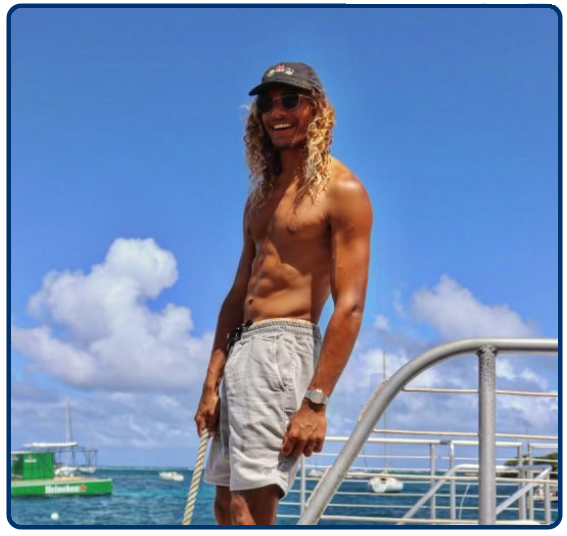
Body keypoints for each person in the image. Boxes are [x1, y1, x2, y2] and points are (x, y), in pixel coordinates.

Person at [194, 62, 373, 525]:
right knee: (224, 506)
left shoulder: (343, 189)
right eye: (267, 102)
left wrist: (317, 402)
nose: (276, 110)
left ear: (318, 109)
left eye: (290, 100)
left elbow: (350, 305)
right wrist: (211, 381)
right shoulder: (260, 197)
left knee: (249, 506)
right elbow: (238, 294)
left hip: (282, 347)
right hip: (242, 349)